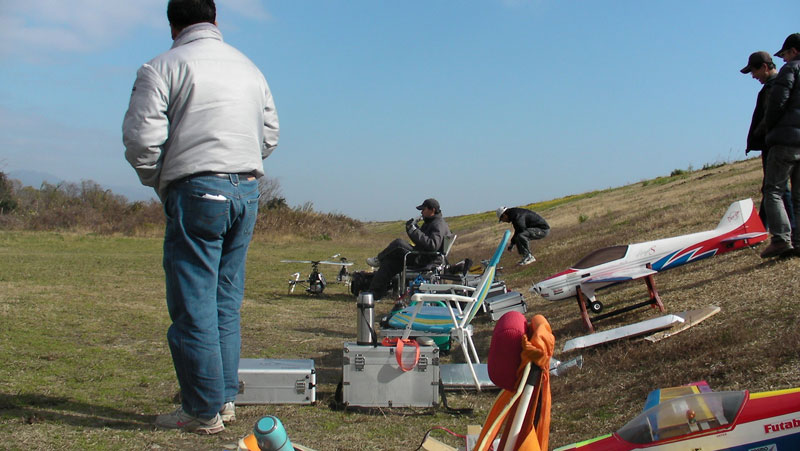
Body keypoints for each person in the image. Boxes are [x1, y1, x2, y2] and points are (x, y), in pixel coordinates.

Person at [122, 0, 279, 434]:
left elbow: (141, 140)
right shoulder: (250, 68)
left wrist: (163, 182)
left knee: (193, 302)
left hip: (197, 189)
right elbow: (270, 136)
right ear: (215, 19)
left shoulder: (161, 67)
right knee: (225, 299)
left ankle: (201, 410)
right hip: (247, 189)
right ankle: (223, 399)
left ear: (173, 26)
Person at [741, 50, 795, 231]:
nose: (753, 76)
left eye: (754, 71)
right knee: (772, 187)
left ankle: (788, 228)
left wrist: (758, 133)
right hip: (780, 141)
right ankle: (761, 227)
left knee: (777, 189)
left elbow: (771, 115)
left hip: (774, 143)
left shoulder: (774, 87)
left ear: (764, 67)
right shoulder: (781, 84)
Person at [366, 198, 451, 300]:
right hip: (422, 255)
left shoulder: (438, 224)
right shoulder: (431, 222)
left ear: (432, 210)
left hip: (427, 259)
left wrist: (414, 231)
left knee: (398, 244)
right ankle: (375, 293)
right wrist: (412, 229)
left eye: (423, 209)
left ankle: (378, 259)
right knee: (389, 262)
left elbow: (432, 245)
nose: (421, 212)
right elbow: (422, 240)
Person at [762, 33, 800, 258]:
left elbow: (777, 103)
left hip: (786, 141)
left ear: (794, 51)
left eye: (785, 54)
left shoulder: (790, 69)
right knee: (798, 196)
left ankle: (780, 239)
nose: (783, 59)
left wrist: (770, 129)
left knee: (773, 190)